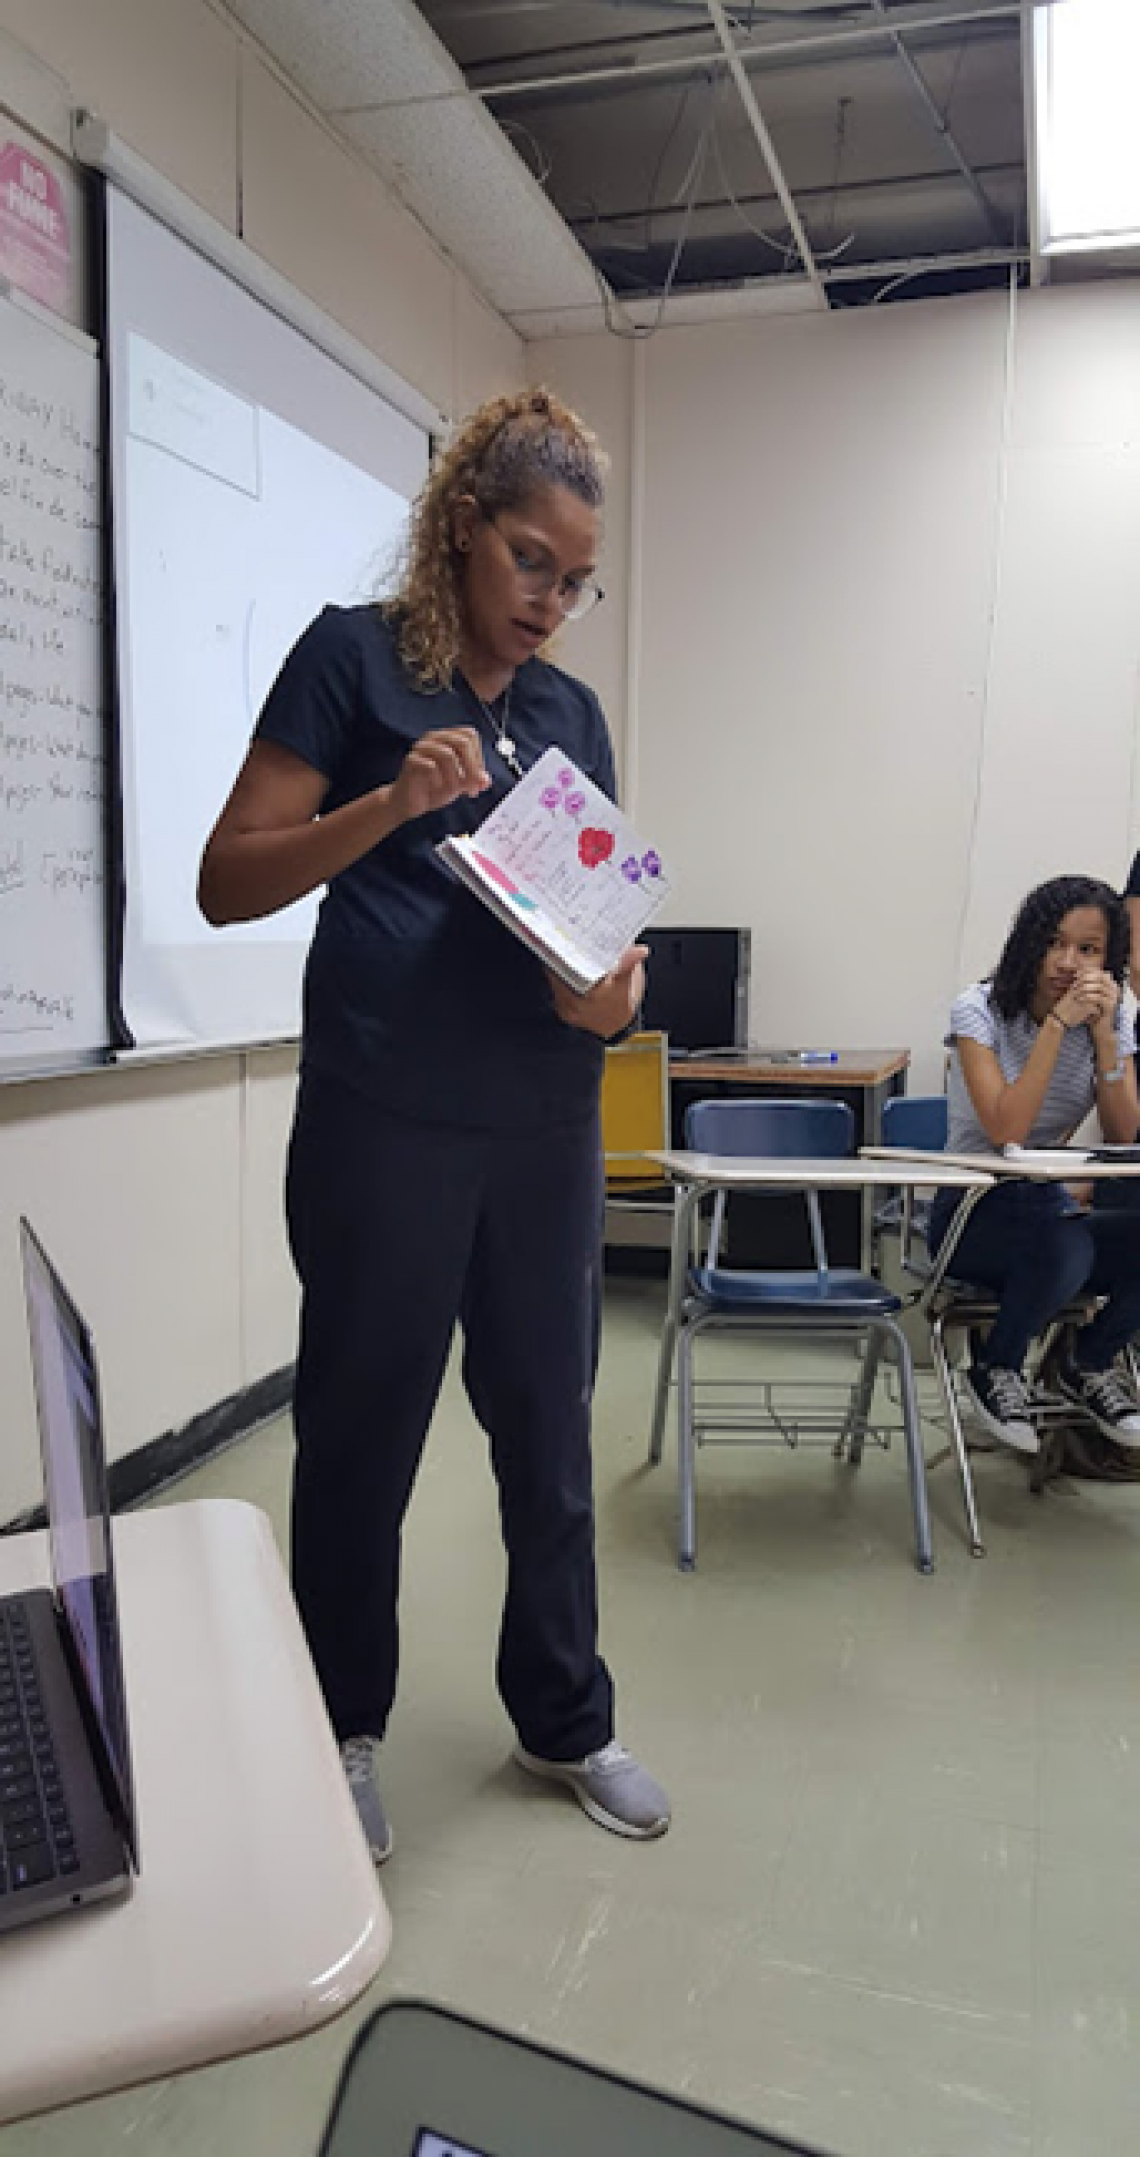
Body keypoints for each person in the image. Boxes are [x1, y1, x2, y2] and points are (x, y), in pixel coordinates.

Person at [197, 388, 670, 1860]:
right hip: (383, 1116)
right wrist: (388, 808)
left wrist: (604, 992)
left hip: (541, 1122)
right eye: (534, 561)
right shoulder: (353, 659)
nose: (554, 602)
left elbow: (608, 962)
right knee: (360, 1437)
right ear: (463, 530)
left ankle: (565, 1715)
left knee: (547, 1424)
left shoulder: (570, 714)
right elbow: (230, 877)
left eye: (579, 580)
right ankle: (341, 1726)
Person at [928, 874, 1140, 1457]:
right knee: (1061, 1237)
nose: (1069, 963)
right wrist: (1055, 1028)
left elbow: (1124, 1134)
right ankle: (997, 1367)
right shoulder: (979, 1011)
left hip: (1049, 1210)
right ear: (1029, 945)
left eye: (1089, 949)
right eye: (1055, 943)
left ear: (1110, 959)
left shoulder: (1117, 1016)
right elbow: (1007, 1129)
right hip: (969, 1211)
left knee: (1067, 1230)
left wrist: (1104, 1042)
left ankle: (1090, 1361)